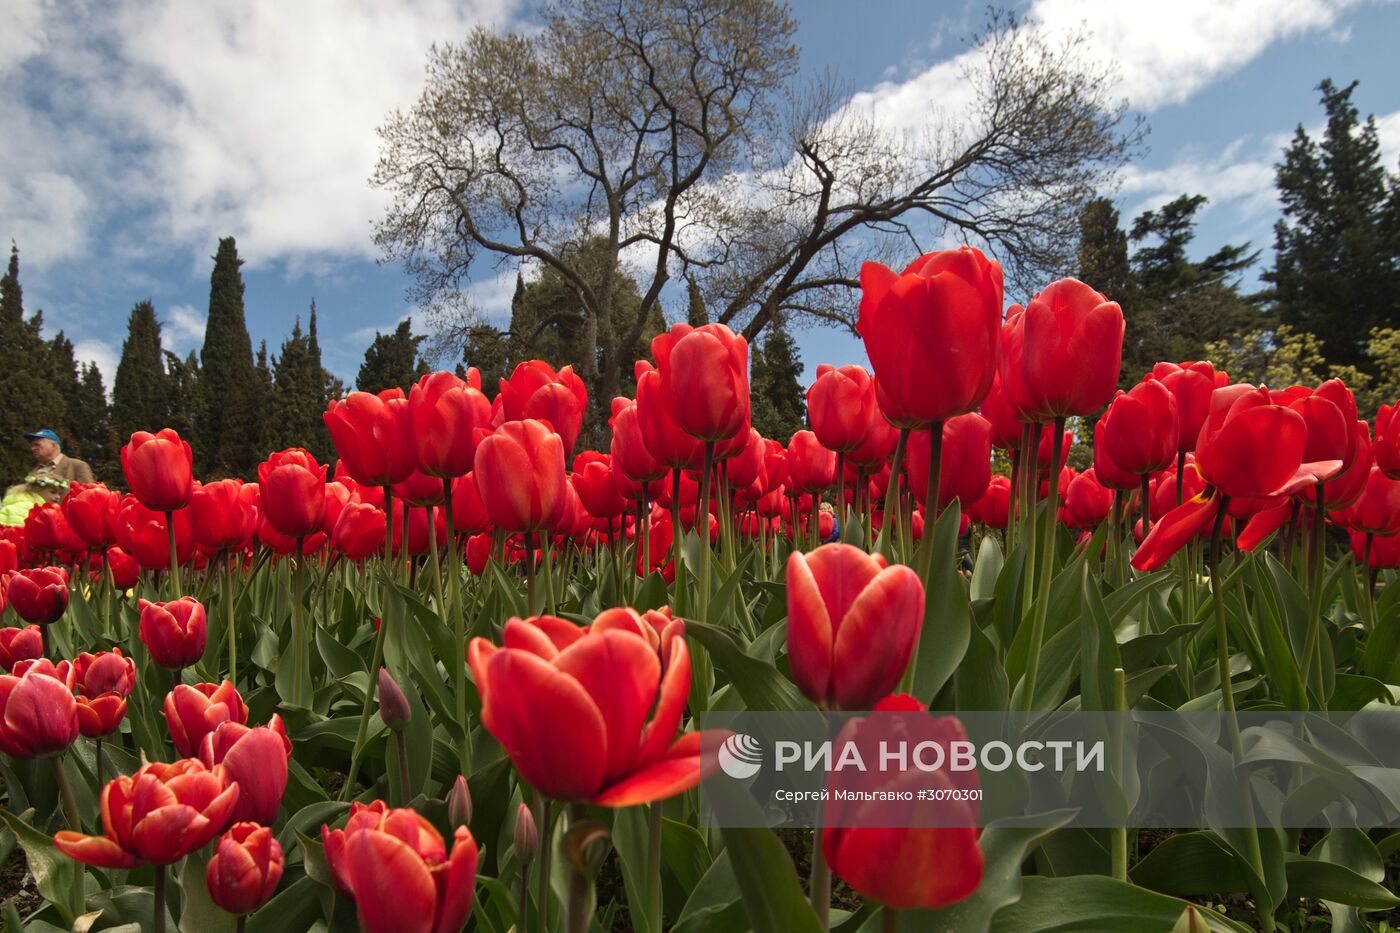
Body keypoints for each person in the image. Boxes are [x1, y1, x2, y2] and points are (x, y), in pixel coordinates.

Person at [0, 430, 94, 526]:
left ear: (53, 445)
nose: (33, 448)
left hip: (68, 527)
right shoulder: (34, 472)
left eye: (37, 445)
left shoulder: (77, 466)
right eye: (32, 445)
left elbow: (89, 499)